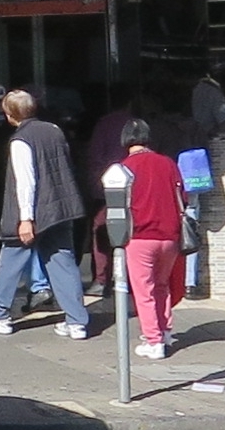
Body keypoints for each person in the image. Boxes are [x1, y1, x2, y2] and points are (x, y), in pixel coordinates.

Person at [0, 89, 90, 339]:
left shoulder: (20, 140)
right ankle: (77, 321)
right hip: (60, 208)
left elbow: (26, 182)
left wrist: (25, 218)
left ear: (10, 115)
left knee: (11, 262)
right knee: (63, 263)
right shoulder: (54, 130)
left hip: (34, 212)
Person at [120, 118, 186, 359]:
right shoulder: (167, 163)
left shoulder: (124, 167)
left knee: (143, 290)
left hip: (139, 238)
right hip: (169, 236)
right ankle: (165, 330)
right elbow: (182, 197)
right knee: (162, 286)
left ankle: (153, 340)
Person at [83, 90, 133, 296]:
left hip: (105, 188)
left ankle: (101, 279)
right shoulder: (135, 124)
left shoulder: (103, 124)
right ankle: (127, 278)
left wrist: (95, 184)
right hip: (131, 187)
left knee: (101, 232)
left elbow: (94, 156)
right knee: (130, 233)